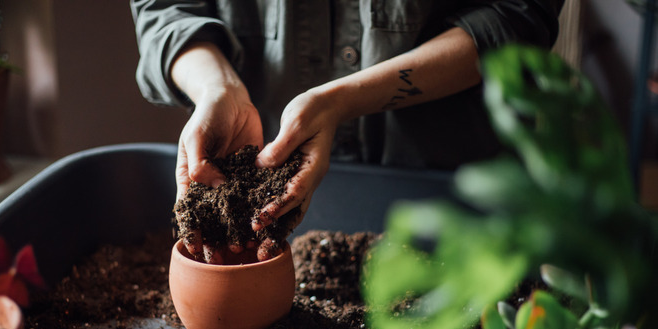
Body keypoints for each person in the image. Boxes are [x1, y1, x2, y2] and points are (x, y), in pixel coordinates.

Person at [131, 0, 565, 262]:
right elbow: (164, 8)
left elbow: (517, 15)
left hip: (452, 191)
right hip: (263, 148)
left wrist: (343, 101)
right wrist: (216, 87)